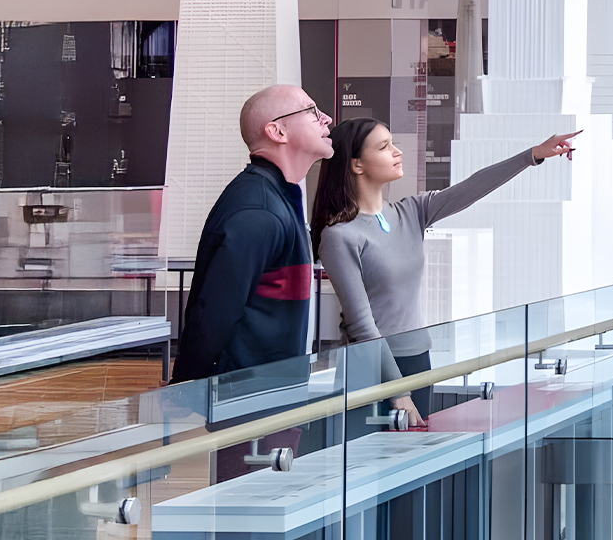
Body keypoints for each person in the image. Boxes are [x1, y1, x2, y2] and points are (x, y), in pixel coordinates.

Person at [313, 119, 577, 427]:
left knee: (411, 464)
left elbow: (470, 189)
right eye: (384, 147)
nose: (397, 152)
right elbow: (362, 325)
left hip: (418, 360)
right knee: (370, 468)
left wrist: (532, 155)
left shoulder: (410, 211)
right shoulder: (339, 236)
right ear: (356, 165)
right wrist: (397, 390)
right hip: (371, 369)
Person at [171, 84, 334, 383]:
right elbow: (214, 313)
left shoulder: (278, 197)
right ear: (277, 132)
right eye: (311, 111)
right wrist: (183, 389)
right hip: (248, 405)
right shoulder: (259, 210)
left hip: (271, 400)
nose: (326, 119)